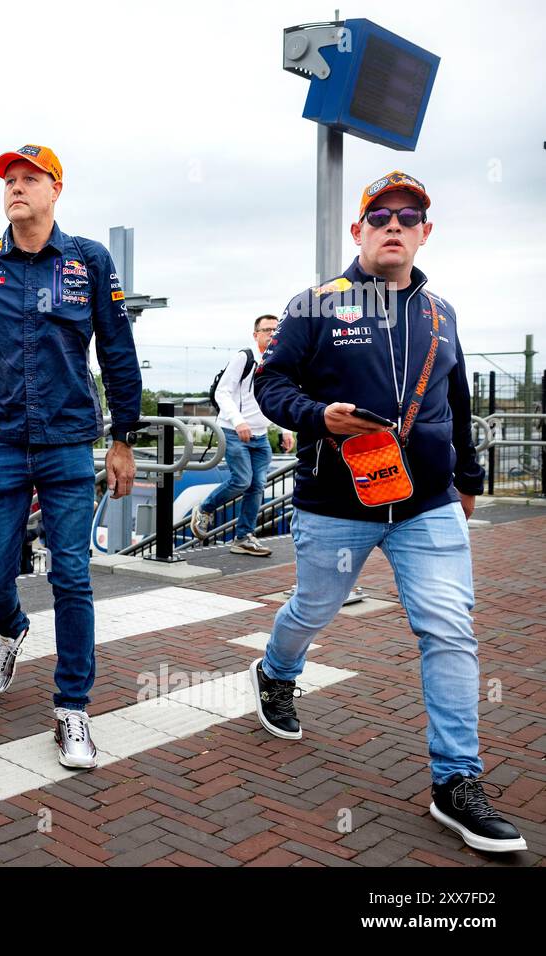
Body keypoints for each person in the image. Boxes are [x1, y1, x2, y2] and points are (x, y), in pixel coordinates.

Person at [253, 170, 526, 853]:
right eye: (381, 216)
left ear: (425, 232)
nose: (395, 225)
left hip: (426, 504)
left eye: (409, 216)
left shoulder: (443, 314)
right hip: (336, 501)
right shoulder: (315, 305)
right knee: (312, 610)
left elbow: (458, 403)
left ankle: (456, 780)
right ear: (359, 231)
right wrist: (318, 416)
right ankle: (275, 674)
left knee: (448, 628)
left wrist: (468, 477)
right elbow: (272, 383)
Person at [0, 144, 142, 769]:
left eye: (30, 179)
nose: (16, 188)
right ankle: (10, 629)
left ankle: (72, 708)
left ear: (56, 190)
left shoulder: (88, 261)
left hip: (68, 442)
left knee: (72, 575)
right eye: (9, 180)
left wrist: (123, 437)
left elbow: (117, 349)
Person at [189, 315, 295, 556]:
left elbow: (279, 398)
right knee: (242, 481)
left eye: (275, 330)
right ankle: (204, 509)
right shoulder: (244, 358)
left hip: (260, 436)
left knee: (257, 485)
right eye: (266, 329)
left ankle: (243, 537)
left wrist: (285, 430)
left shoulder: (280, 361)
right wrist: (239, 422)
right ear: (255, 334)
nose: (271, 333)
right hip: (233, 431)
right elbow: (222, 393)